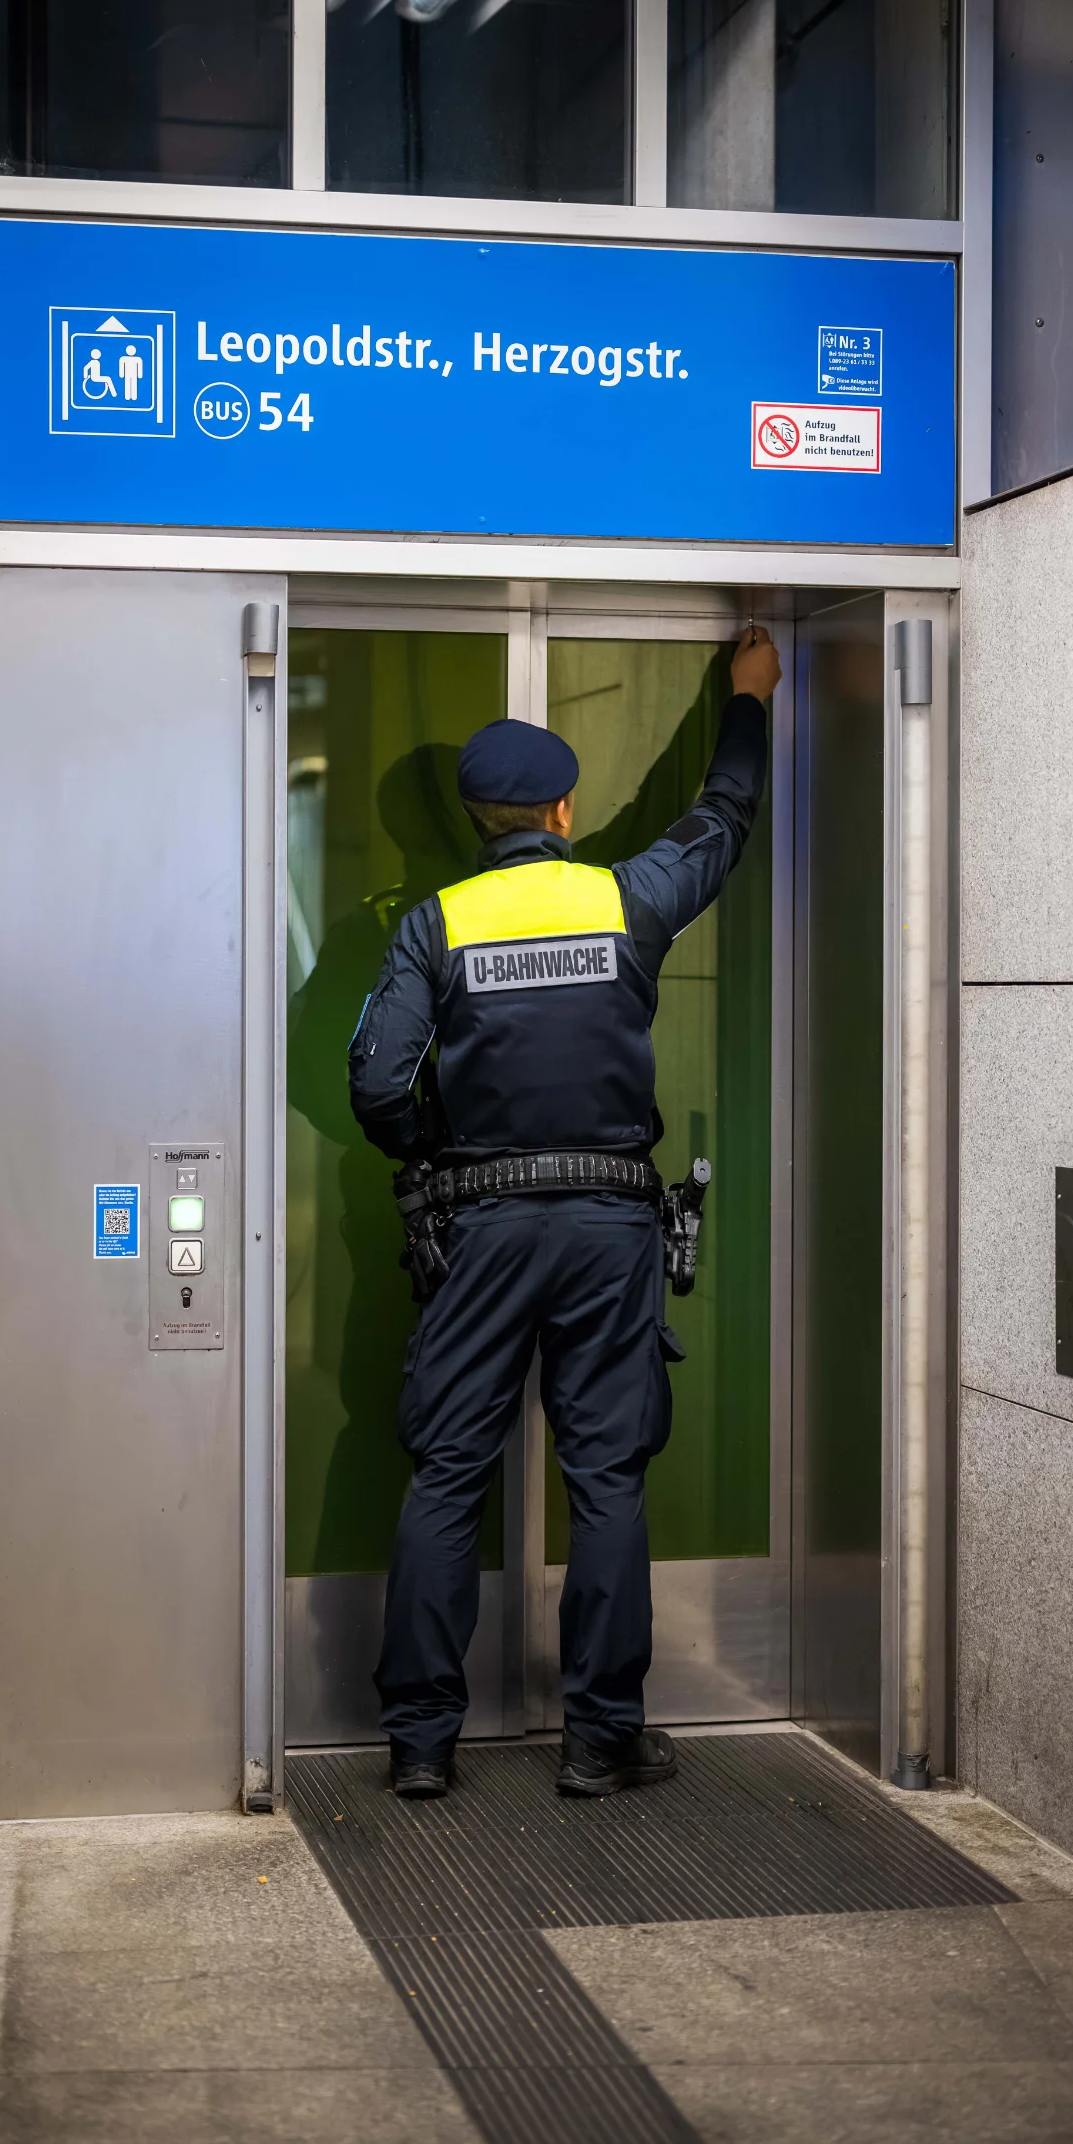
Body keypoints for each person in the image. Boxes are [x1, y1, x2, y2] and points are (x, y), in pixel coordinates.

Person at [348, 623, 782, 1800]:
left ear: (476, 821)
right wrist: (748, 698)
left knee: (449, 1471)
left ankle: (422, 1744)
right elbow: (723, 820)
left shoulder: (436, 925)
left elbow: (378, 1085)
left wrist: (438, 1154)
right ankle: (600, 1738)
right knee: (606, 1479)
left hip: (480, 1229)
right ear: (565, 809)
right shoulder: (625, 898)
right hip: (608, 1229)